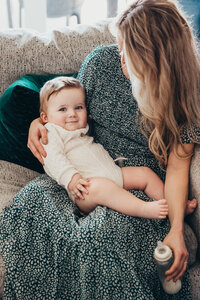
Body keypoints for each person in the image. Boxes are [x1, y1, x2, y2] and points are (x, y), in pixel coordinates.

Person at [0, 0, 198, 298]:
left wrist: (176, 229)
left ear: (154, 63)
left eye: (127, 55)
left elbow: (179, 168)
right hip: (82, 168)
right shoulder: (101, 65)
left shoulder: (185, 106)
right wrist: (38, 123)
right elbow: (63, 103)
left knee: (101, 238)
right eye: (118, 48)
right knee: (33, 210)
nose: (119, 59)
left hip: (137, 192)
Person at [39, 76, 168, 219]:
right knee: (102, 187)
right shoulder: (51, 132)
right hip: (86, 189)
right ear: (45, 117)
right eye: (62, 109)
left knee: (145, 174)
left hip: (114, 174)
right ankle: (143, 208)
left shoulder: (81, 131)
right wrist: (71, 178)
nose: (72, 114)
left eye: (78, 107)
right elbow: (52, 158)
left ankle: (172, 205)